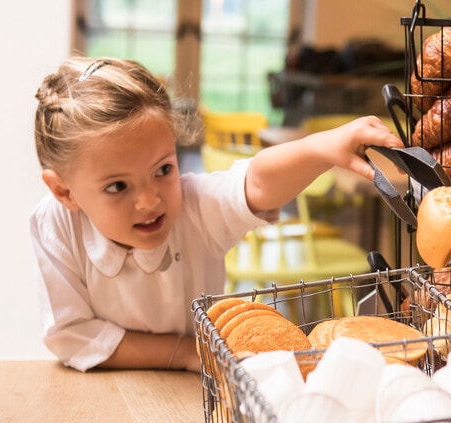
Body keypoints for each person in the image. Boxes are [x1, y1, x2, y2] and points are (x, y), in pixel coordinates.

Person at [30, 56, 403, 373]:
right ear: (64, 191)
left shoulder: (195, 207)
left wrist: (321, 148)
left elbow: (256, 184)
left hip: (194, 393)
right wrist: (183, 353)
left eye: (163, 170)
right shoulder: (55, 225)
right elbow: (71, 335)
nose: (149, 201)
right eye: (117, 187)